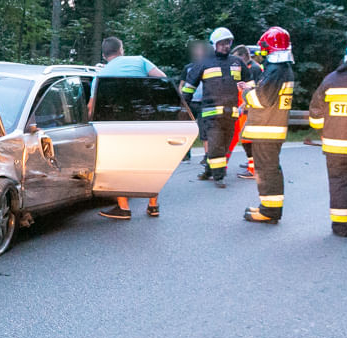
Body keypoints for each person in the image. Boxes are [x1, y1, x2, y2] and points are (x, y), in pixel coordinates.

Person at [95, 36, 167, 220]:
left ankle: (124, 208)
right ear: (121, 49)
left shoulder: (101, 75)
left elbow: (91, 106)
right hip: (146, 120)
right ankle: (153, 206)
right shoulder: (140, 61)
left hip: (119, 124)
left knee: (119, 164)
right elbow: (164, 81)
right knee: (151, 164)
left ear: (104, 55)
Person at [308, 37, 347, 236]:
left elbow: (316, 114)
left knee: (339, 185)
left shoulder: (331, 79)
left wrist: (326, 132)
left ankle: (341, 228)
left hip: (336, 147)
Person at [183, 27, 251, 188]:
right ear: (214, 45)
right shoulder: (203, 63)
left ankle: (208, 170)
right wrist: (184, 106)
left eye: (228, 43)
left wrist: (249, 95)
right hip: (210, 113)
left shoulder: (237, 62)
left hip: (231, 113)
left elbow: (250, 84)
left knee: (225, 145)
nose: (226, 46)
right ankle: (219, 176)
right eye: (222, 43)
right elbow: (189, 87)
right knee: (215, 144)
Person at [239, 27, 295, 224]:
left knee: (266, 171)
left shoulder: (275, 70)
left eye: (263, 48)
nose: (261, 52)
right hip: (272, 128)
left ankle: (269, 211)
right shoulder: (282, 69)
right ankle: (270, 208)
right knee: (269, 169)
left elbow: (262, 99)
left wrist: (247, 92)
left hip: (266, 129)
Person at [229, 45, 264, 179]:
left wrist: (244, 105)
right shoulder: (246, 68)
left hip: (249, 108)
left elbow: (256, 89)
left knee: (247, 139)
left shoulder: (254, 69)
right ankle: (253, 164)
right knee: (246, 138)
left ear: (244, 56)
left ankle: (253, 169)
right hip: (244, 107)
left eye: (237, 58)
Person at [179, 40, 208, 162]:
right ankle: (185, 154)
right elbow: (182, 84)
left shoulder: (209, 66)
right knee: (185, 128)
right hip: (190, 102)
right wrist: (182, 98)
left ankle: (207, 156)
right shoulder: (188, 68)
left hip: (204, 102)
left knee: (204, 130)